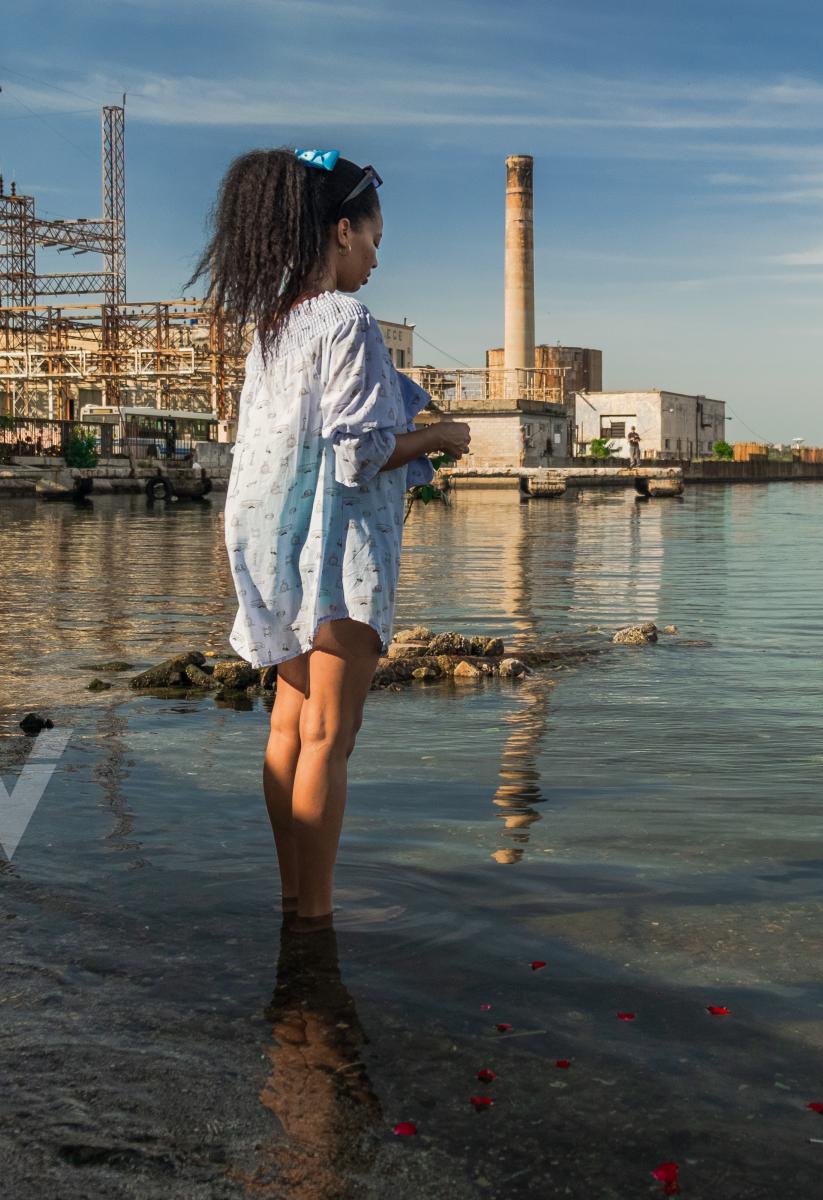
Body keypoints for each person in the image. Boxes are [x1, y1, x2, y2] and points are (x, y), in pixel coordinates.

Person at [196, 147, 471, 932]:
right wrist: (438, 437)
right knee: (329, 737)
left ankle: (292, 899)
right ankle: (315, 920)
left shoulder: (273, 325)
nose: (379, 258)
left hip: (276, 548)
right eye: (376, 240)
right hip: (338, 553)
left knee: (289, 730)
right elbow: (359, 451)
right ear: (343, 230)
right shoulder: (347, 321)